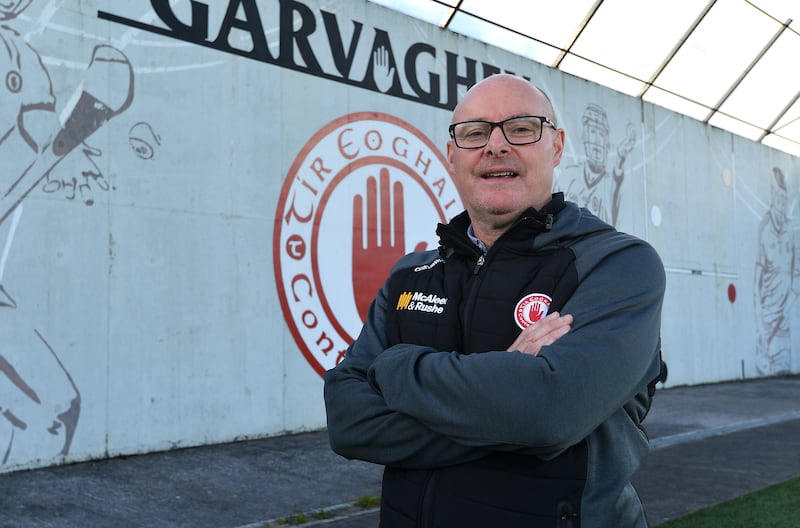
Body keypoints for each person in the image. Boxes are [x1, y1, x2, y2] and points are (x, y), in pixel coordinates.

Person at [324, 73, 666, 528]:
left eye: (521, 128)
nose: (496, 145)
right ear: (452, 155)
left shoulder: (618, 265)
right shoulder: (411, 274)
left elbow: (548, 412)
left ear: (557, 146)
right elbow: (349, 422)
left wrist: (395, 366)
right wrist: (507, 404)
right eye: (475, 133)